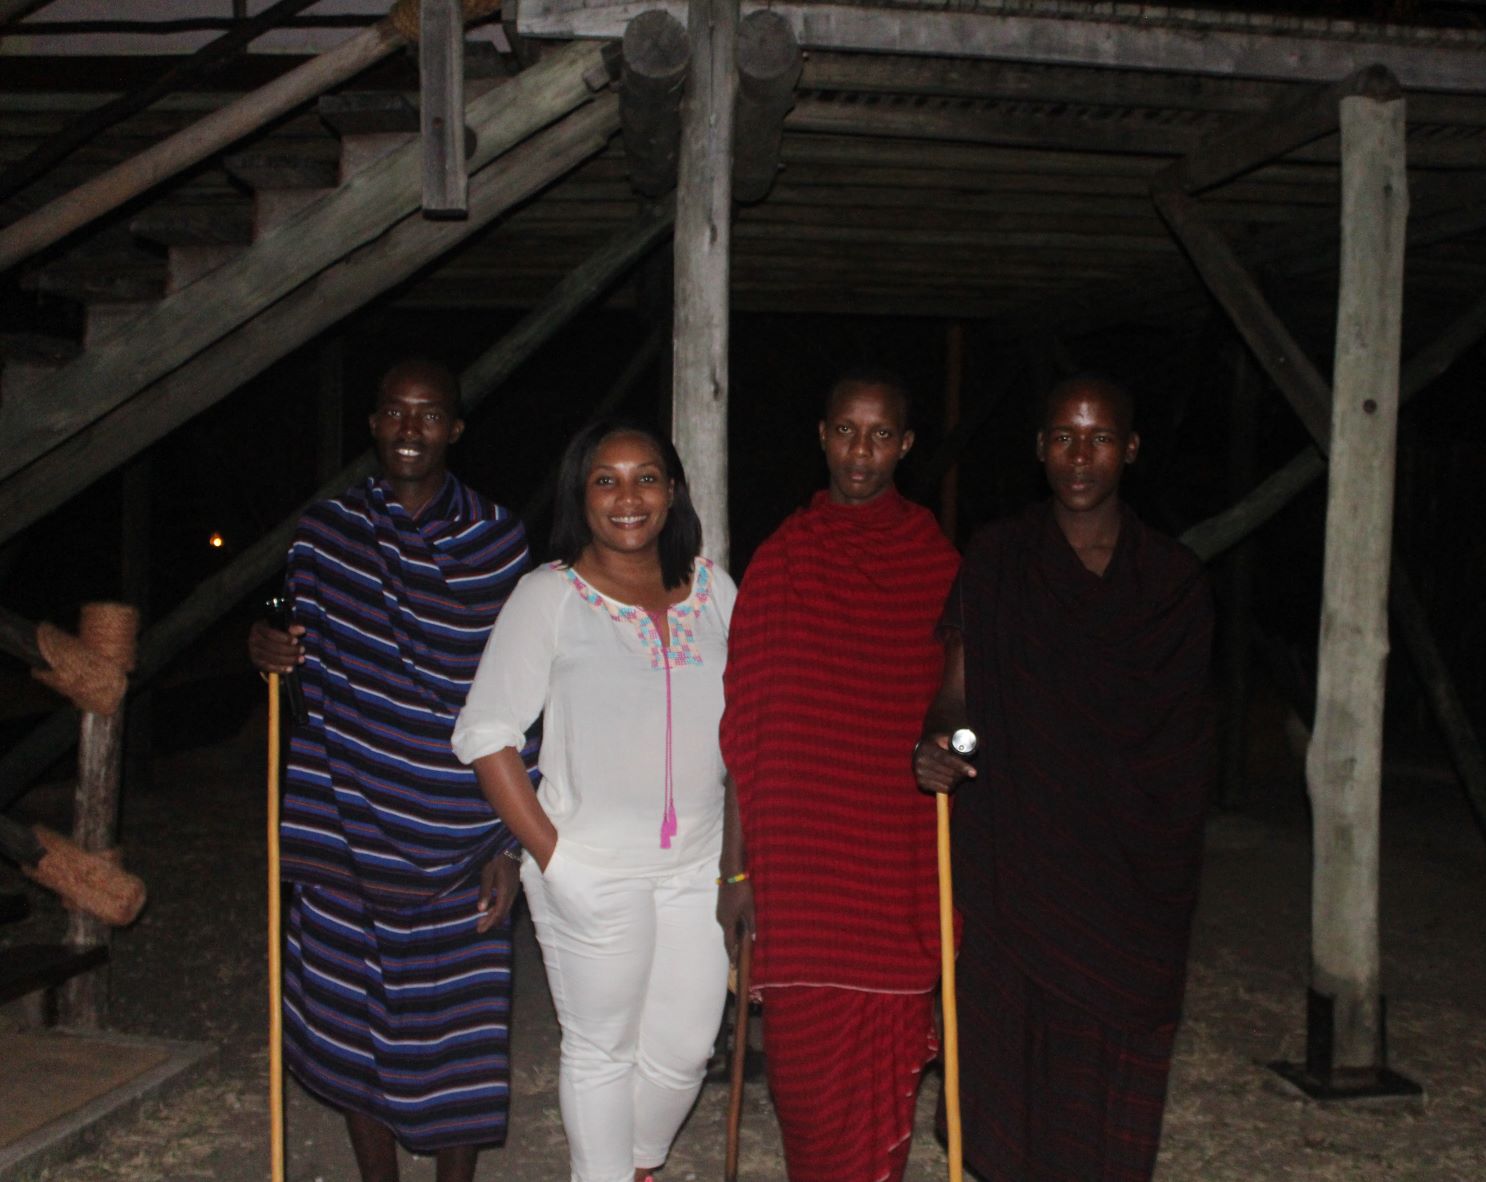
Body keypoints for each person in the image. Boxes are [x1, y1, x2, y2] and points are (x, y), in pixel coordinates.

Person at [914, 375, 1216, 1182]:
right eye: (1062, 437)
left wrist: (1155, 842)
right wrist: (938, 739)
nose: (1080, 456)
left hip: (1129, 863)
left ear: (1131, 450)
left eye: (1100, 438)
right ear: (1039, 448)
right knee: (1008, 1047)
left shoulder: (1172, 581)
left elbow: (1184, 741)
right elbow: (957, 684)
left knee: (1107, 1066)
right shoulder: (1000, 556)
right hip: (1019, 844)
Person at [249, 358, 532, 1182]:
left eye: (429, 415)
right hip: (345, 820)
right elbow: (310, 671)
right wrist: (266, 654)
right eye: (395, 413)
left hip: (462, 831)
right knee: (350, 1023)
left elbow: (525, 696)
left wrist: (508, 844)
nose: (411, 429)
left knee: (461, 1040)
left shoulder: (496, 541)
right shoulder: (326, 534)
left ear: (455, 429)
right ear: (373, 424)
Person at [452, 419, 736, 1182]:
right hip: (590, 864)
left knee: (685, 1049)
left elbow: (753, 716)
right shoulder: (548, 596)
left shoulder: (713, 588)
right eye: (605, 480)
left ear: (672, 491)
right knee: (602, 1049)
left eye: (646, 477)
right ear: (582, 496)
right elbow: (485, 733)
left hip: (699, 863)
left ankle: (638, 1165)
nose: (628, 497)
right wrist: (553, 855)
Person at [718, 372, 960, 1182]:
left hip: (893, 873)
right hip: (801, 874)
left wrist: (952, 751)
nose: (862, 451)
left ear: (906, 444)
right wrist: (736, 869)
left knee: (880, 1082)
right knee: (808, 1094)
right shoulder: (781, 560)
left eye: (881, 434)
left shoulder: (938, 566)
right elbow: (745, 732)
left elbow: (965, 711)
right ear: (821, 436)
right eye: (847, 432)